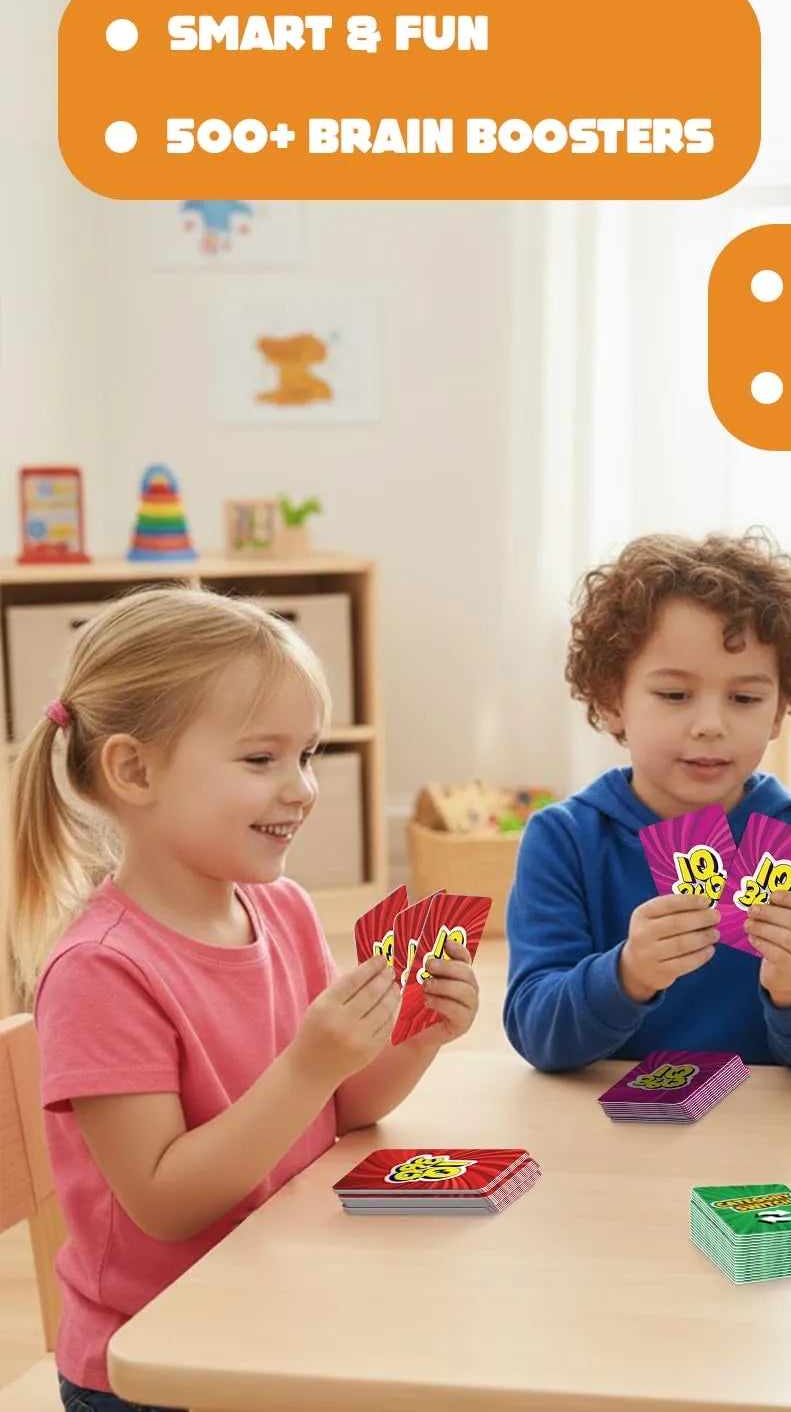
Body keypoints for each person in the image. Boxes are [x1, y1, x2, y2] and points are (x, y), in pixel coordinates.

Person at [12, 588, 480, 1410]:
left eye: (308, 755)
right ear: (135, 770)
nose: (301, 788)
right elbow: (164, 1203)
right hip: (160, 1365)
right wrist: (309, 1064)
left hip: (283, 1307)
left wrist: (415, 1039)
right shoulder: (100, 970)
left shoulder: (284, 908)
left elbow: (344, 1112)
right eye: (262, 759)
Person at [503, 531, 791, 1073]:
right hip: (609, 1133)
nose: (709, 725)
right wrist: (627, 974)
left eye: (745, 698)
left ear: (777, 714)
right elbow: (538, 1035)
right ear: (611, 701)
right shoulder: (564, 841)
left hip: (765, 1132)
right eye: (674, 695)